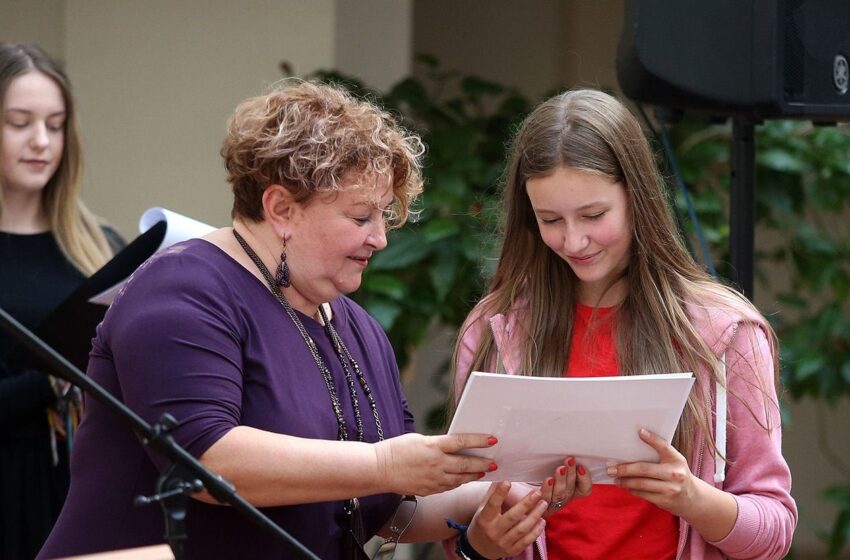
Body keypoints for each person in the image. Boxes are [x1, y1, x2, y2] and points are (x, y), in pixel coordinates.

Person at [37, 80, 552, 560]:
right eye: (359, 217)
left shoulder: (357, 327)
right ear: (281, 207)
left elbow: (387, 508)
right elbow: (206, 460)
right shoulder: (181, 289)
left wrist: (497, 495)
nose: (381, 239)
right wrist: (385, 464)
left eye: (385, 216)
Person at [447, 89, 797, 560]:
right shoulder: (495, 328)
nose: (574, 240)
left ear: (639, 198)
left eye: (593, 215)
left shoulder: (725, 332)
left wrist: (690, 496)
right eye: (550, 219)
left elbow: (774, 532)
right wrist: (484, 542)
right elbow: (462, 518)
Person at [0, 42, 124, 559]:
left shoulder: (101, 244)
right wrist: (48, 379)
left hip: (86, 494)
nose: (41, 141)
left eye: (55, 124)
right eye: (19, 122)